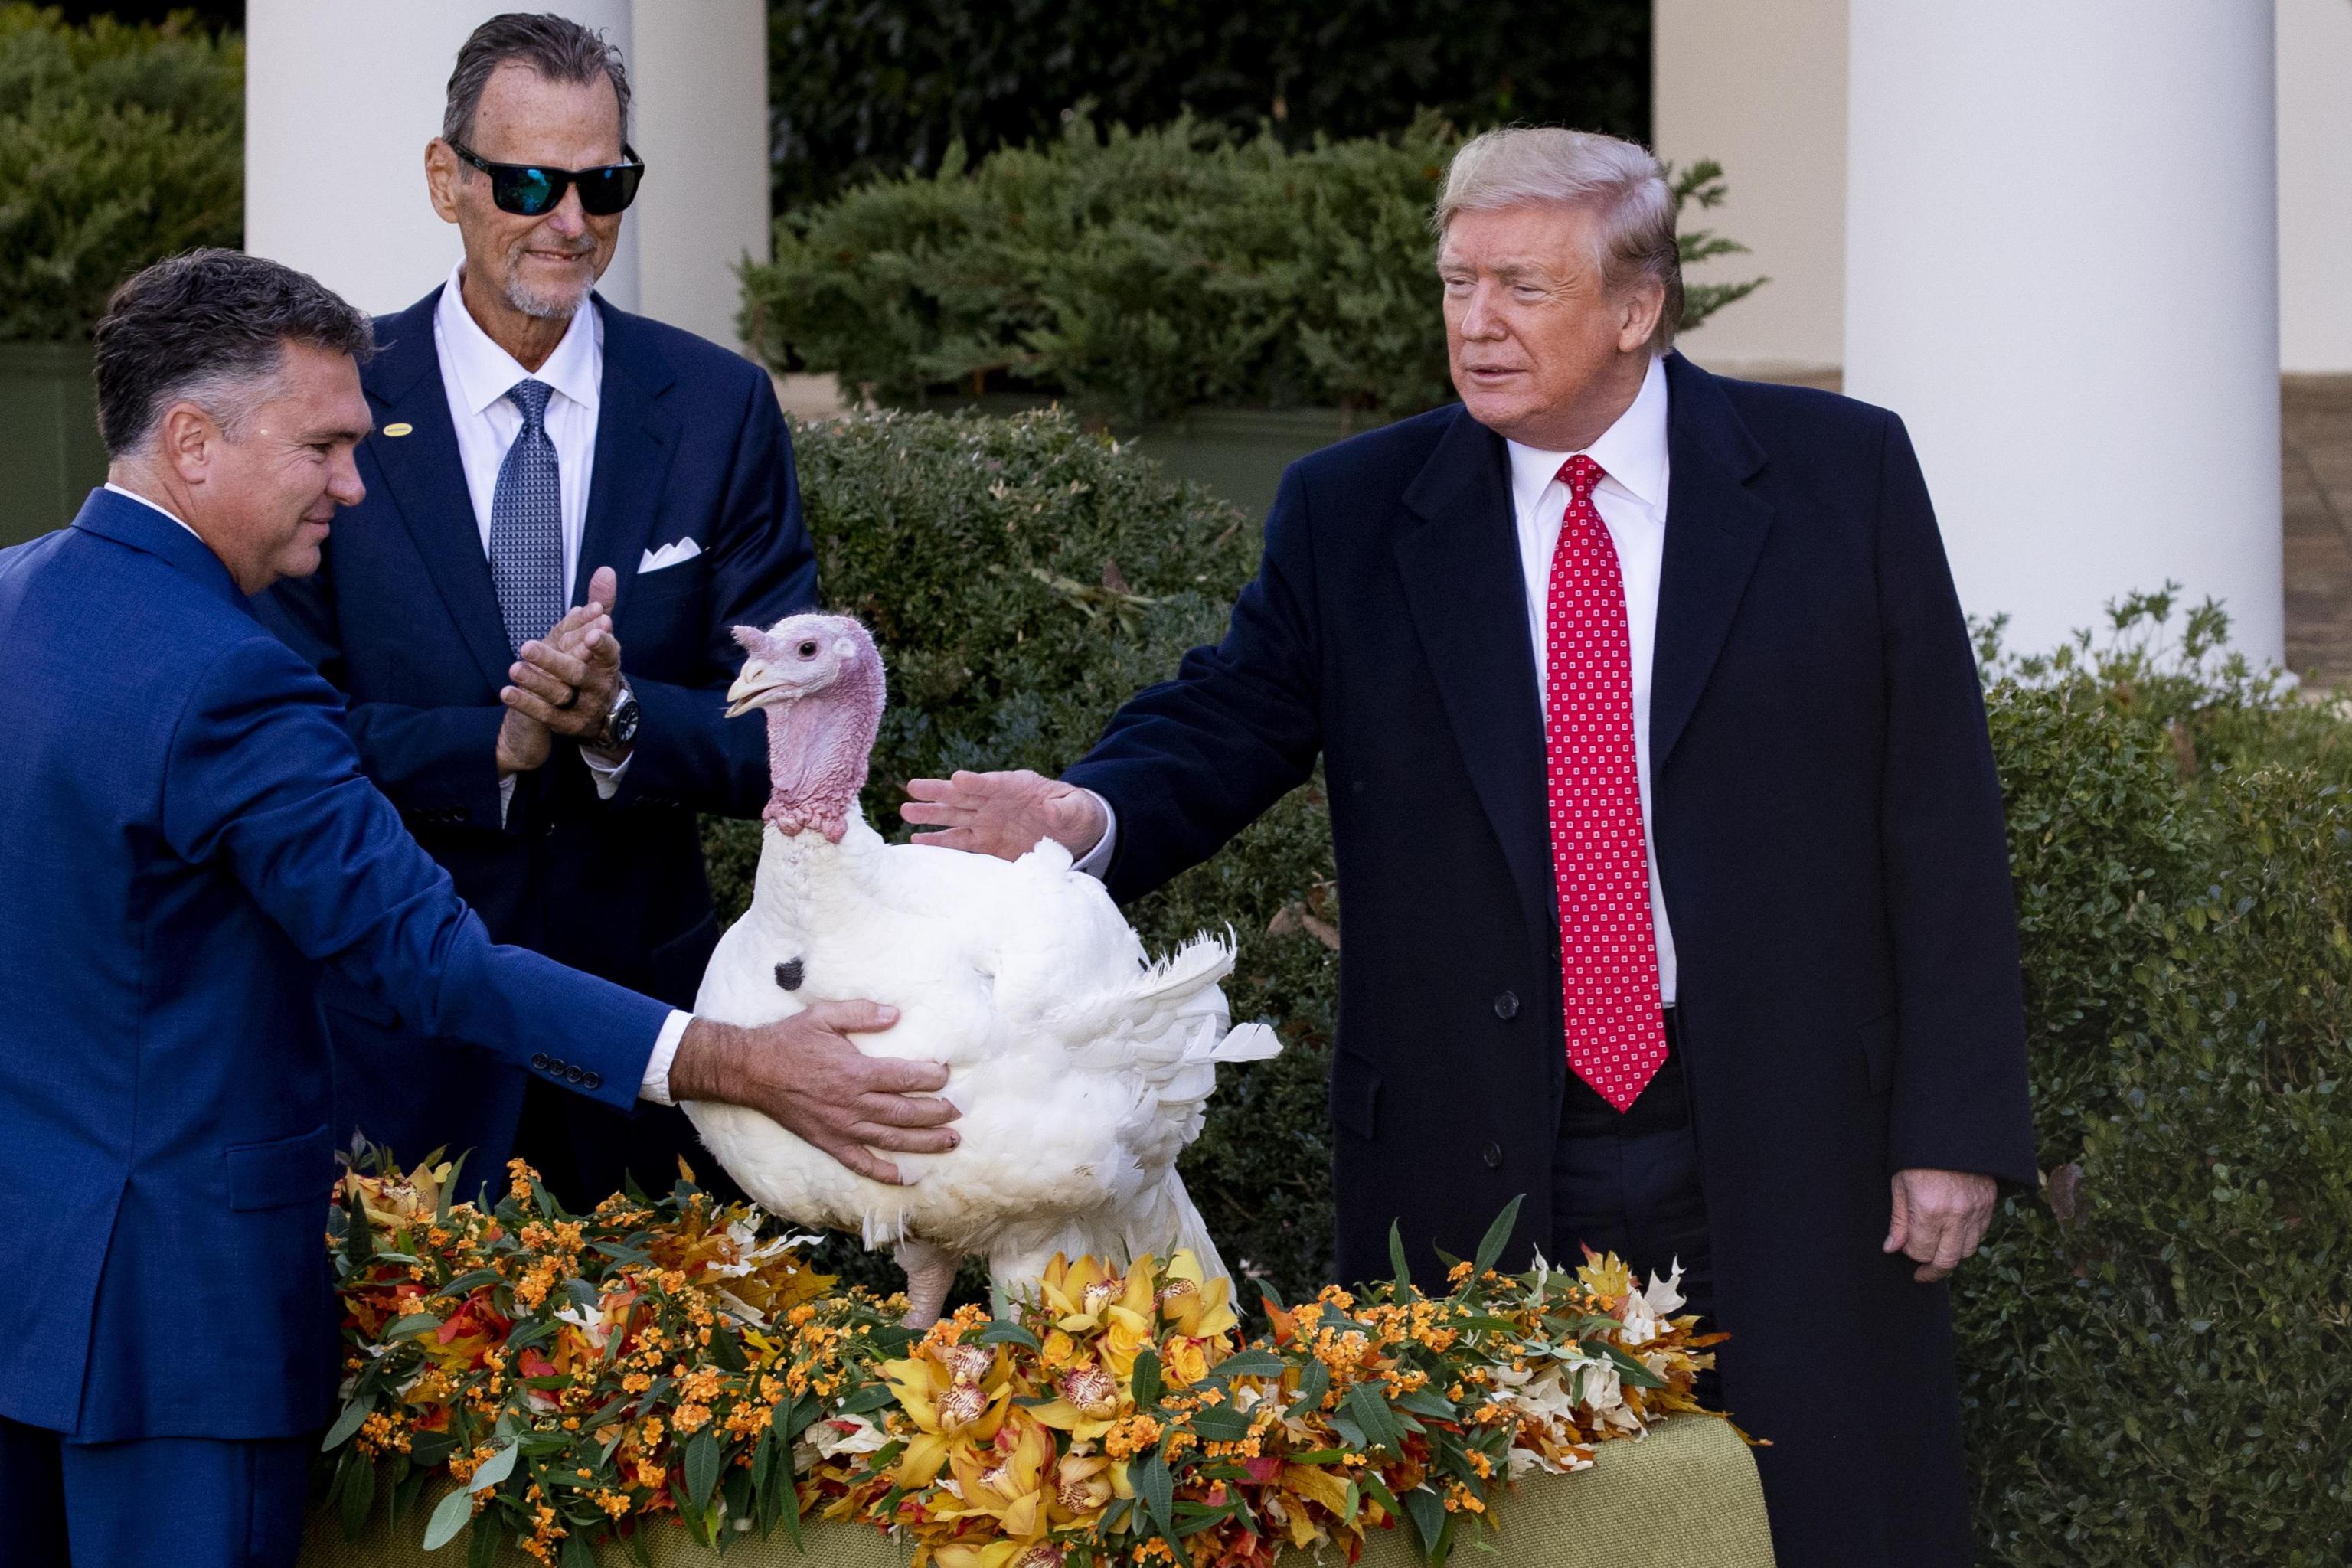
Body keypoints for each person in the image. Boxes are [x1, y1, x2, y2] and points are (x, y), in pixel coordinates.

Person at [900, 127, 2036, 1566]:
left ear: (1637, 309)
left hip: (1785, 1130)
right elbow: (1236, 716)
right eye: (1456, 284)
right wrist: (1090, 815)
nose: (1476, 323)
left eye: (1521, 287)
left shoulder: (1837, 477)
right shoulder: (1359, 511)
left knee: (1821, 1521)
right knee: (1491, 1530)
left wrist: (1953, 1126)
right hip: (1482, 1137)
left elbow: (1936, 810)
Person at [0, 250, 956, 1568]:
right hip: (179, 1342)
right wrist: (734, 1061)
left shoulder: (13, 603)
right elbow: (431, 962)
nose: (353, 481)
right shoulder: (230, 681)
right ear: (190, 442)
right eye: (326, 445)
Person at [255, 13, 815, 1206]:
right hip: (401, 1052)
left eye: (604, 182)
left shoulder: (717, 408)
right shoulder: (334, 397)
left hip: (648, 1052)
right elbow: (283, 728)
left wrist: (620, 717)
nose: (572, 221)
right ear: (445, 179)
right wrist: (492, 747)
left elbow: (789, 734)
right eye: (530, 182)